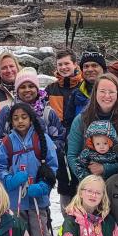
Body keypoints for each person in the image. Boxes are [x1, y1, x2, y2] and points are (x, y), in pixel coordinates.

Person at [0, 103, 59, 236]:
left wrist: (44, 185)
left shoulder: (42, 138)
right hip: (16, 200)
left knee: (40, 234)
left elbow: (53, 165)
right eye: (15, 118)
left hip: (38, 199)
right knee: (19, 235)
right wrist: (8, 180)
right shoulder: (8, 142)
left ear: (31, 119)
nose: (20, 121)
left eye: (24, 117)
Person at [64, 74, 118, 202]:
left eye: (111, 92)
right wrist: (89, 182)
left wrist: (105, 169)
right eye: (102, 91)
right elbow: (72, 155)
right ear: (95, 93)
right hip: (90, 187)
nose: (107, 96)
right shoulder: (81, 120)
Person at [0, 67, 64, 153]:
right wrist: (15, 151)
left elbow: (60, 139)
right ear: (17, 90)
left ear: (37, 89)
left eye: (31, 86)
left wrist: (43, 150)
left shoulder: (48, 112)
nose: (27, 90)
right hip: (14, 162)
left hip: (43, 161)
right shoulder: (7, 111)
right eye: (22, 87)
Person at [47, 49, 82, 212]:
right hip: (59, 145)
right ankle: (67, 220)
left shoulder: (84, 87)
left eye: (67, 63)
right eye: (60, 64)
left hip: (80, 142)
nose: (63, 67)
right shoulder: (51, 89)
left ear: (75, 64)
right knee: (64, 184)